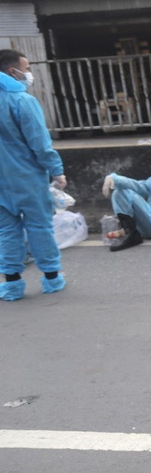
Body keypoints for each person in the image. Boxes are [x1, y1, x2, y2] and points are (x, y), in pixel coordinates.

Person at [0, 49, 67, 300]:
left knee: (6, 231)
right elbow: (40, 143)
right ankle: (51, 278)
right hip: (26, 177)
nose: (29, 74)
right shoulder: (22, 101)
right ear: (12, 71)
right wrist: (57, 171)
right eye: (26, 69)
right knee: (39, 227)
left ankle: (12, 284)